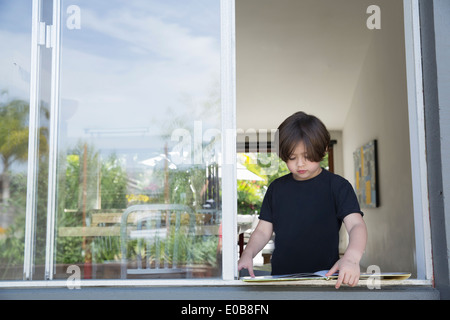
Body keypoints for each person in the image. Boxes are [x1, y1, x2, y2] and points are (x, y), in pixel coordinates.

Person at [237, 111, 367, 289]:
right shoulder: (276, 189)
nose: (300, 164)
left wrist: (351, 258)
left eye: (307, 156)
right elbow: (262, 232)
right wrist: (248, 254)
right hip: (282, 281)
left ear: (322, 150)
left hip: (326, 280)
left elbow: (356, 225)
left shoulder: (338, 186)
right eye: (292, 157)